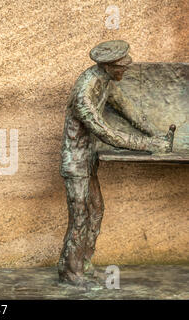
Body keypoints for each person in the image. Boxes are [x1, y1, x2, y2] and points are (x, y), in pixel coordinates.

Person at [58, 40, 171, 287]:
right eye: (122, 67)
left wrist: (156, 135)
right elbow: (107, 133)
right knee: (79, 218)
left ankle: (84, 263)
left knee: (96, 210)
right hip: (75, 163)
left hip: (88, 161)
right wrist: (149, 145)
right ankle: (69, 272)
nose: (126, 70)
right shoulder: (84, 93)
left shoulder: (106, 82)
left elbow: (128, 111)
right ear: (109, 66)